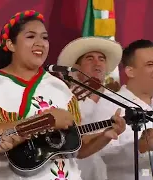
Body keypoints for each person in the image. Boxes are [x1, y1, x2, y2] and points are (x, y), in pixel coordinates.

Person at [0, 10, 126, 180]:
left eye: (44, 37)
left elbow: (75, 148)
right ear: (10, 44)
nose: (40, 43)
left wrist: (104, 136)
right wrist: (46, 121)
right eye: (31, 36)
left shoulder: (59, 86)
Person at [84, 39, 153, 180]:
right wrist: (140, 146)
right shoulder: (110, 103)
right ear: (130, 71)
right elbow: (99, 154)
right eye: (150, 64)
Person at [57, 36, 123, 180]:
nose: (97, 63)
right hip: (70, 170)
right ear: (78, 67)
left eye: (101, 59)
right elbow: (70, 124)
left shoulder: (118, 99)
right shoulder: (64, 95)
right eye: (89, 58)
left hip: (106, 172)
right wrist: (93, 95)